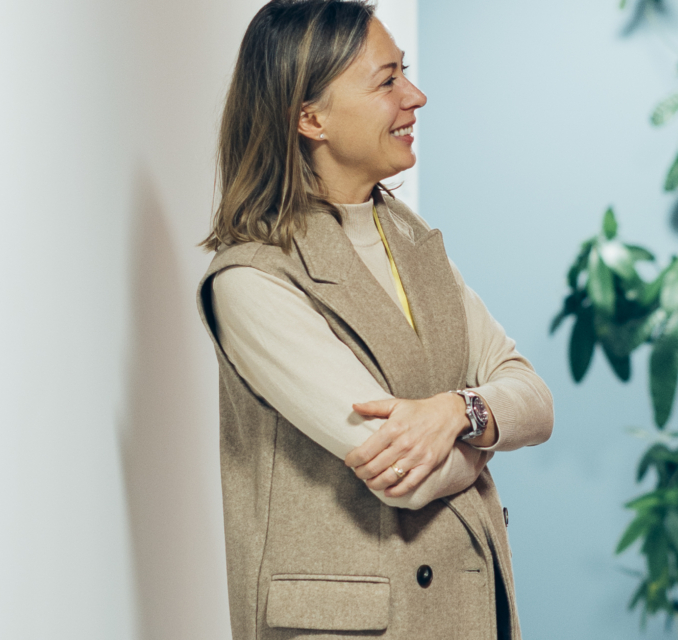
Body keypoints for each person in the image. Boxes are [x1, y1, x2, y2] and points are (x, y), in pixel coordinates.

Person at [196, 2, 551, 639]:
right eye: (387, 81)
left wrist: (455, 413)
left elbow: (534, 398)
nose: (414, 96)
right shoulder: (252, 280)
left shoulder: (411, 239)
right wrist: (486, 433)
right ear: (310, 118)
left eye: (404, 72)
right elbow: (404, 477)